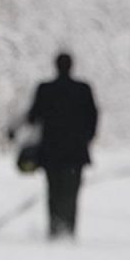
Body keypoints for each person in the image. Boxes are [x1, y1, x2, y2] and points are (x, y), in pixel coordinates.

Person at [25, 52, 98, 240]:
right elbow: (93, 117)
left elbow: (33, 116)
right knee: (72, 191)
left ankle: (54, 228)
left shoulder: (45, 89)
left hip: (51, 151)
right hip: (75, 151)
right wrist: (86, 138)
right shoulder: (83, 89)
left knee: (53, 190)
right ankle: (69, 228)